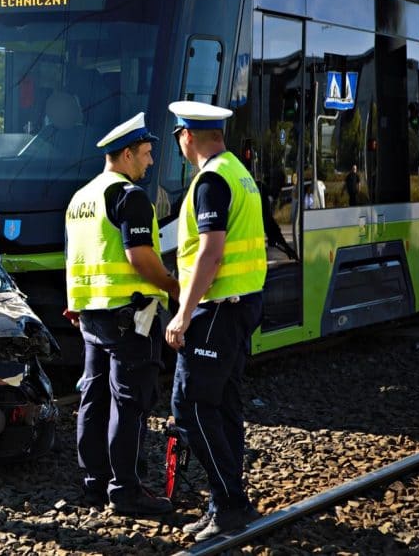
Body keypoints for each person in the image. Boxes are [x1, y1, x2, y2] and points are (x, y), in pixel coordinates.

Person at [64, 112, 180, 516]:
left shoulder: (82, 197)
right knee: (129, 404)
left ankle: (95, 483)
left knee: (93, 398)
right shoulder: (129, 196)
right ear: (127, 153)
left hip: (91, 316)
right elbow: (139, 257)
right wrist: (171, 284)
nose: (149, 162)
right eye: (146, 154)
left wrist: (77, 304)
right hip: (130, 316)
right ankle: (126, 491)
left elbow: (77, 256)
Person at [164, 101, 267, 542]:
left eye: (176, 136)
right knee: (223, 405)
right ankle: (226, 501)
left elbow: (211, 250)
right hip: (239, 305)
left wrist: (183, 315)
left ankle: (229, 502)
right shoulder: (238, 171)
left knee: (189, 407)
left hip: (217, 309)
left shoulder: (211, 180)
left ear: (187, 135)